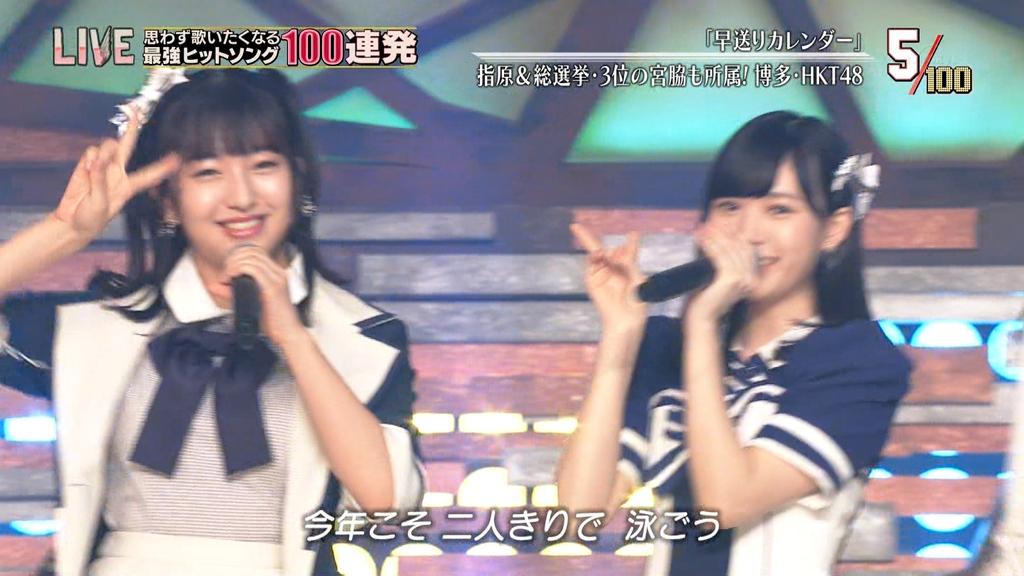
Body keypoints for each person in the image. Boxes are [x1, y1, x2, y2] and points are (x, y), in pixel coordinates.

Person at [0, 68, 424, 576]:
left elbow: (386, 503)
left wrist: (292, 337)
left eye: (263, 165)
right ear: (167, 199)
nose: (241, 197)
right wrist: (65, 231)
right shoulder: (96, 328)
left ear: (298, 180)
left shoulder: (364, 336)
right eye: (207, 173)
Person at [556, 111, 912, 575]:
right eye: (730, 208)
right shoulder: (667, 348)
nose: (749, 233)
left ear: (833, 229)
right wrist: (621, 337)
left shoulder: (858, 362)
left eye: (779, 210)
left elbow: (726, 502)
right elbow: (578, 517)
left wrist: (703, 322)